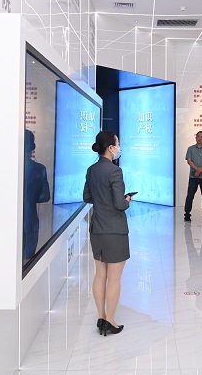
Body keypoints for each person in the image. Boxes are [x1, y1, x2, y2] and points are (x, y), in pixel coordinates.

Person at [83, 130, 133, 337]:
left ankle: (101, 317)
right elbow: (120, 204)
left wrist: (101, 200)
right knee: (114, 278)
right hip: (114, 230)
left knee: (100, 274)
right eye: (117, 143)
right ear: (110, 147)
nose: (119, 147)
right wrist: (127, 200)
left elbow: (87, 197)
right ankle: (110, 321)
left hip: (97, 228)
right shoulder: (115, 171)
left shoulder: (91, 170)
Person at [23, 129, 50, 263]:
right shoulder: (40, 169)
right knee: (27, 263)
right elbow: (44, 197)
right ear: (33, 147)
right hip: (30, 222)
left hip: (6, 224)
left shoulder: (4, 168)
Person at [184, 131, 202, 222]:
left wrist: (200, 170)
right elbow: (189, 161)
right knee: (190, 196)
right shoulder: (190, 148)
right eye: (198, 136)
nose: (200, 138)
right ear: (195, 137)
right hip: (193, 177)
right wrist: (197, 169)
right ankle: (187, 214)